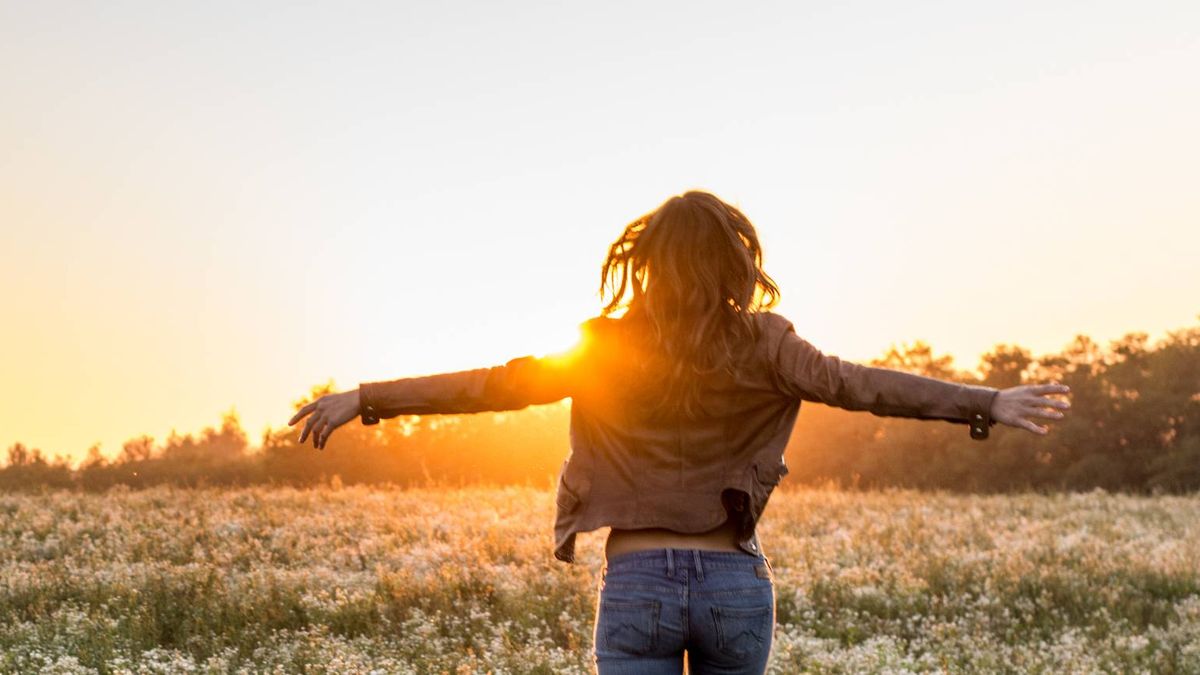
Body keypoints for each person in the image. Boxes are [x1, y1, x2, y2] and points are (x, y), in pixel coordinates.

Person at [288, 190, 1071, 674]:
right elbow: (861, 385)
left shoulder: (606, 346)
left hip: (636, 583)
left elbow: (494, 385)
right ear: (736, 261)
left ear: (647, 264)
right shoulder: (768, 344)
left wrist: (368, 396)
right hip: (734, 585)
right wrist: (986, 401)